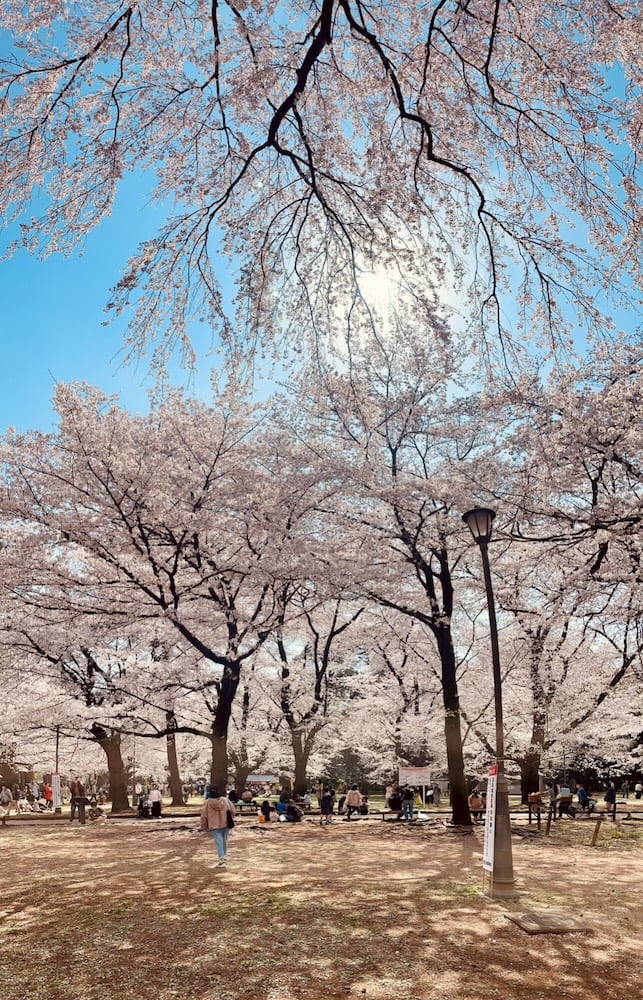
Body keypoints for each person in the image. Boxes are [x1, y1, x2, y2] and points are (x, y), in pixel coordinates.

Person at [199, 785, 235, 867]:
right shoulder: (226, 800)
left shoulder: (207, 802)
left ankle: (222, 859)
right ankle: (224, 857)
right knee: (224, 841)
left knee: (219, 842)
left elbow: (204, 815)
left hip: (214, 825)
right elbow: (233, 810)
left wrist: (203, 826)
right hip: (226, 823)